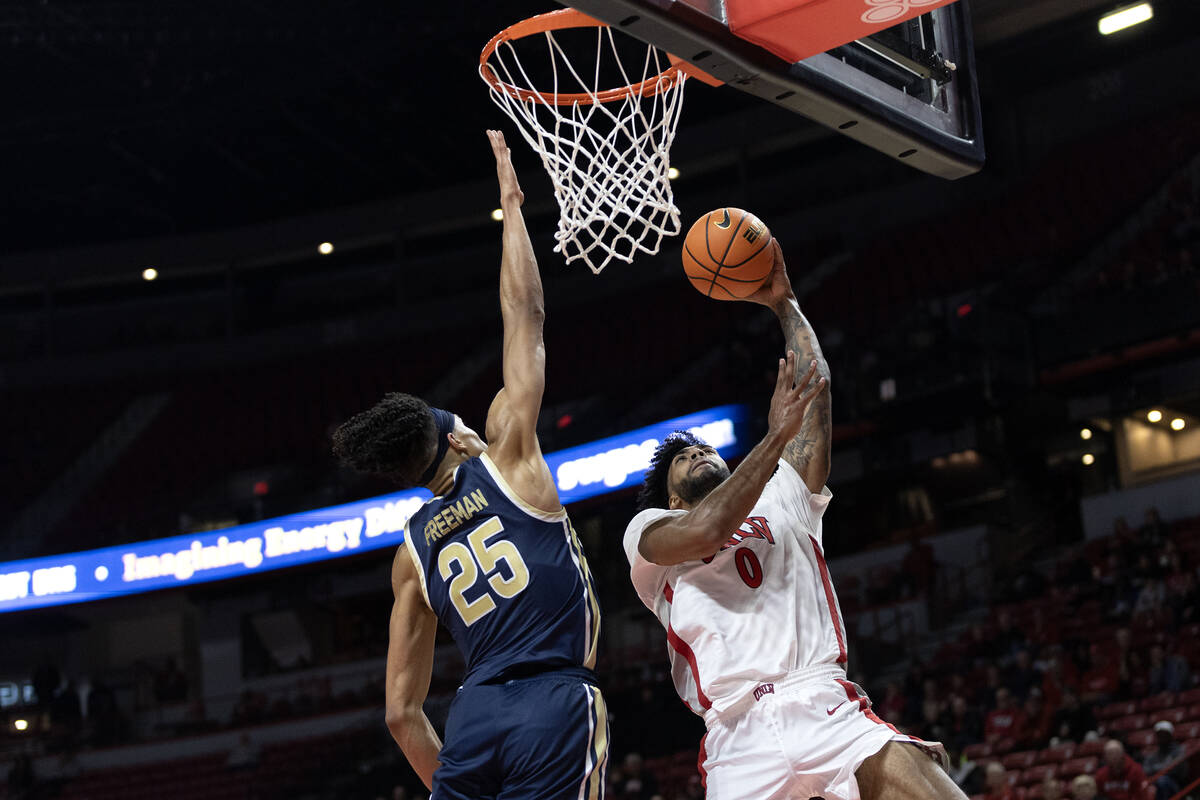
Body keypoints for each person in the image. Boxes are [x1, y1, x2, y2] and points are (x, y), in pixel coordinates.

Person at [622, 242, 960, 800]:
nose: (698, 454)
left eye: (704, 449)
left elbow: (814, 397)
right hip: (736, 732)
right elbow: (705, 533)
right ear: (671, 499)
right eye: (683, 459)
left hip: (820, 699)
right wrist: (775, 434)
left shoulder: (780, 490)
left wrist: (784, 304)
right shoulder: (649, 532)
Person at [333, 131, 606, 799]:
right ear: (457, 440)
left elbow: (401, 713)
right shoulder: (510, 459)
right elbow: (527, 314)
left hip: (475, 717)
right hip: (553, 698)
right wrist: (513, 203)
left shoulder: (410, 552)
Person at [1143, 720, 1188, 800]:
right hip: (1156, 783)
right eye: (1159, 735)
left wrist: (1156, 769)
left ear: (1170, 735)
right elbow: (1146, 769)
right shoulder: (1154, 754)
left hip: (1176, 786)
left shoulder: (1178, 751)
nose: (1162, 737)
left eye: (1164, 734)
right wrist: (1161, 769)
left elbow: (1174, 769)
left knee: (1162, 781)